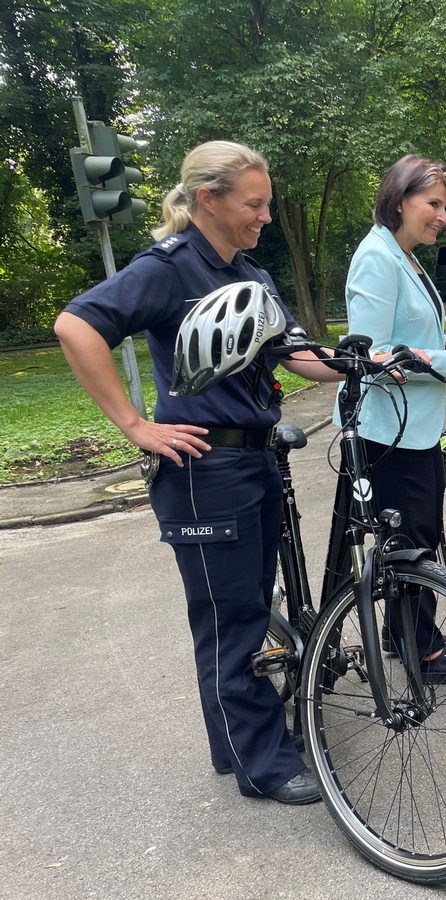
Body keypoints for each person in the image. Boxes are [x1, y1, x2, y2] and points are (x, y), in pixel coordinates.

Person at [55, 141, 344, 805]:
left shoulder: (251, 275)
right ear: (208, 199)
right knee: (232, 618)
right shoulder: (167, 269)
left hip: (255, 456)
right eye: (255, 203)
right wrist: (135, 424)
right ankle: (263, 765)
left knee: (243, 606)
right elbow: (75, 326)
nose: (266, 216)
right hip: (203, 468)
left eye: (267, 203)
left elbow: (297, 356)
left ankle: (235, 743)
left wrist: (379, 359)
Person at [332, 154, 446, 684]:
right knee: (411, 543)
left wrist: (442, 344)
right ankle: (423, 650)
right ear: (400, 198)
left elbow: (409, 335)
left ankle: (408, 638)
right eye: (434, 204)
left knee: (415, 537)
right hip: (386, 432)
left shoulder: (404, 255)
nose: (443, 216)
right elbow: (373, 354)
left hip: (410, 426)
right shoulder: (377, 255)